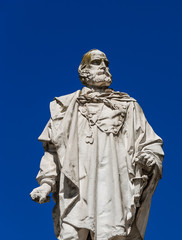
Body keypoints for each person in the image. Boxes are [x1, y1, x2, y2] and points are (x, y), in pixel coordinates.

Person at [30, 49, 164, 240]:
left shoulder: (128, 105)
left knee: (112, 234)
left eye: (106, 63)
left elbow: (149, 141)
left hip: (113, 185)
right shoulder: (65, 106)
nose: (103, 66)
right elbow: (53, 151)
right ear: (83, 70)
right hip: (75, 186)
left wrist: (149, 156)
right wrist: (46, 183)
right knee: (71, 235)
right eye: (96, 62)